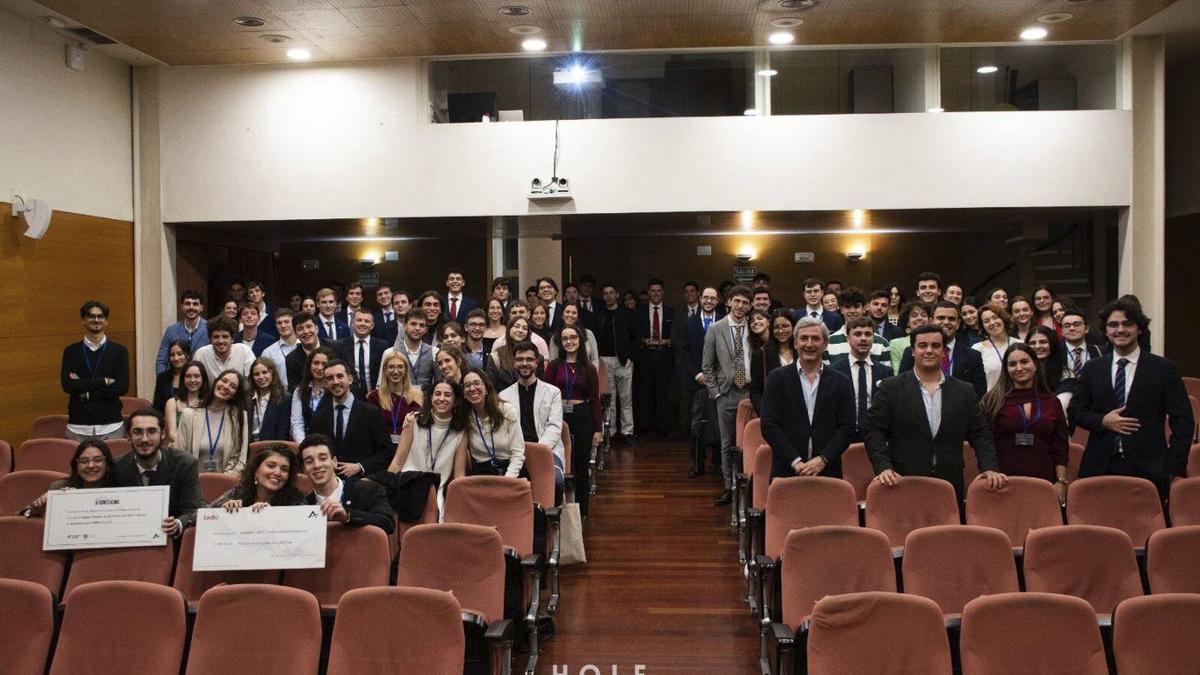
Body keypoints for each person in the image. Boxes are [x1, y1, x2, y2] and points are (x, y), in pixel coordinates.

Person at [1068, 299, 1193, 498]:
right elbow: (1075, 411)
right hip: (1100, 466)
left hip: (1151, 468)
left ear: (1139, 329)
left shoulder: (1164, 369)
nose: (1120, 330)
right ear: (1106, 331)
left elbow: (1183, 422)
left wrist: (1175, 469)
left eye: (1127, 324)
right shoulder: (1093, 368)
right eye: (1113, 325)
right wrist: (1102, 421)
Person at [866, 325, 1006, 501]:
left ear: (944, 352)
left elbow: (980, 434)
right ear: (913, 351)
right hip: (902, 480)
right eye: (923, 345)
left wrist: (989, 467)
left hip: (949, 481)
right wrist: (883, 467)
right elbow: (874, 431)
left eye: (936, 345)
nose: (929, 350)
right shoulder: (891, 388)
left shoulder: (964, 391)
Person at [760, 317, 856, 480]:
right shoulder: (777, 378)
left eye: (816, 338)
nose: (809, 344)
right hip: (786, 471)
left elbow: (847, 428)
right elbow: (769, 425)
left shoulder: (841, 381)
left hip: (828, 472)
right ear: (795, 343)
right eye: (804, 338)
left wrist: (822, 459)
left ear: (825, 344)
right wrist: (795, 462)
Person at [981, 343, 1069, 504]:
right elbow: (985, 443)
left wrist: (1061, 481)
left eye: (1024, 362)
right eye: (1012, 364)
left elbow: (1060, 446)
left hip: (1044, 479)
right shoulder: (993, 400)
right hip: (1002, 480)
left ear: (1035, 364)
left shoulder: (1052, 402)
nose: (1019, 368)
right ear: (1006, 369)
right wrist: (990, 471)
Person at [378, 380, 468, 517]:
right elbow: (398, 461)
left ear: (455, 401)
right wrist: (384, 490)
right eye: (437, 394)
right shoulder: (413, 420)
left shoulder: (460, 431)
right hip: (407, 486)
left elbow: (459, 476)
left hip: (435, 494)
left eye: (447, 395)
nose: (441, 398)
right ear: (431, 398)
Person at [112, 408, 206, 536]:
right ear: (128, 436)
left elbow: (192, 510)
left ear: (162, 434)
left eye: (152, 431)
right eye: (137, 432)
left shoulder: (184, 464)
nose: (144, 439)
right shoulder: (116, 467)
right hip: (130, 538)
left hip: (171, 541)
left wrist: (178, 523)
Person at [702, 284, 753, 506]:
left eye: (745, 302)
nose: (740, 306)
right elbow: (707, 365)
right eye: (737, 301)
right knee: (726, 443)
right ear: (729, 302)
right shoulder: (716, 329)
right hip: (726, 393)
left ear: (750, 306)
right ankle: (729, 487)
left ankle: (750, 487)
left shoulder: (755, 327)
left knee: (750, 442)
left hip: (750, 392)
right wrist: (715, 393)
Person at [545, 326, 602, 513]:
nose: (569, 341)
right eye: (565, 338)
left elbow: (594, 399)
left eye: (573, 337)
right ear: (560, 343)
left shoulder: (589, 368)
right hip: (558, 416)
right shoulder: (554, 366)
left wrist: (598, 429)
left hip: (582, 416)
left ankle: (581, 511)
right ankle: (559, 508)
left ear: (580, 340)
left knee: (581, 465)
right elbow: (545, 395)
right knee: (561, 463)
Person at [500, 341, 565, 502]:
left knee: (555, 483)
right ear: (514, 363)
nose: (524, 363)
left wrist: (535, 452)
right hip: (515, 454)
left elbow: (555, 428)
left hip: (546, 451)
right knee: (507, 487)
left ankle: (551, 523)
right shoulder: (503, 396)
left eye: (529, 359)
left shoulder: (553, 392)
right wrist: (520, 453)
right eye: (520, 359)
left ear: (536, 363)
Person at [307, 360, 394, 478]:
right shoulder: (318, 418)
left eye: (340, 376)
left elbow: (386, 452)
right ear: (325, 383)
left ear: (350, 379)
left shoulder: (371, 413)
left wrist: (360, 466)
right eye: (330, 378)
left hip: (363, 483)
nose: (336, 382)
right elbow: (311, 451)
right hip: (329, 483)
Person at [61, 300, 130, 442]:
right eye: (91, 316)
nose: (96, 320)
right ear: (83, 321)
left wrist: (84, 389)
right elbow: (67, 385)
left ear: (106, 321)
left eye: (100, 316)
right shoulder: (71, 351)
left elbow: (122, 387)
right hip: (78, 427)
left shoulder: (119, 351)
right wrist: (103, 381)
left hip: (111, 427)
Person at [299, 434, 395, 533]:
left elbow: (388, 524)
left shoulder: (369, 490)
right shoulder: (303, 507)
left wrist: (348, 516)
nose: (317, 465)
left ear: (334, 462)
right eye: (309, 461)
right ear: (303, 469)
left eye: (323, 458)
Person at [677, 287, 724, 477]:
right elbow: (683, 351)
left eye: (713, 298)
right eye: (706, 297)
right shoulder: (688, 323)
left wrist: (715, 376)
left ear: (718, 300)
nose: (709, 301)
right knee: (697, 424)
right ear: (700, 298)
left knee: (720, 423)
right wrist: (698, 374)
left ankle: (719, 462)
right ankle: (697, 463)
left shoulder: (724, 322)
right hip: (695, 381)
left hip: (720, 381)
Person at [900, 301, 988, 400]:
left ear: (958, 324)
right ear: (931, 320)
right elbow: (902, 388)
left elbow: (979, 395)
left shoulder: (973, 356)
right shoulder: (912, 352)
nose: (946, 322)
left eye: (951, 319)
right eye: (941, 318)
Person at [830, 317, 894, 441]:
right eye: (857, 334)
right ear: (848, 338)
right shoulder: (834, 371)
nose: (863, 338)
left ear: (873, 338)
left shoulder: (886, 372)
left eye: (868, 334)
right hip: (843, 438)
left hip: (876, 438)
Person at [177, 369, 249, 474]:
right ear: (216, 382)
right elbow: (179, 453)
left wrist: (221, 481)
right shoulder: (189, 414)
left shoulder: (239, 416)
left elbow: (240, 458)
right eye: (224, 381)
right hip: (192, 482)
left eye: (233, 386)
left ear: (235, 395)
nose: (226, 386)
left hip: (226, 483)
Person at [20, 439, 116, 517]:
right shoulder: (59, 487)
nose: (90, 465)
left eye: (98, 460)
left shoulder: (119, 489)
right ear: (76, 467)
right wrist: (38, 511)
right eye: (84, 461)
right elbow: (23, 516)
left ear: (107, 465)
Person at [462, 368, 526, 477]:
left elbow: (518, 453)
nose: (472, 388)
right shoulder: (465, 417)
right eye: (467, 385)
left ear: (486, 388)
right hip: (482, 474)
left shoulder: (506, 410)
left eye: (477, 383)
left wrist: (507, 479)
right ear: (464, 393)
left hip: (510, 470)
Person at [206, 444, 306, 513]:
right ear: (256, 470)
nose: (277, 473)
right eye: (271, 466)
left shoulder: (295, 501)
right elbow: (195, 518)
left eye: (284, 469)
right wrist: (222, 511)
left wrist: (274, 514)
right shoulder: (239, 492)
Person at [598, 283, 641, 444]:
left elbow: (636, 337)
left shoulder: (627, 314)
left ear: (617, 295)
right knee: (609, 399)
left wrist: (630, 357)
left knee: (626, 397)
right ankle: (611, 431)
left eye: (611, 293)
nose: (608, 296)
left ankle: (627, 431)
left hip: (623, 360)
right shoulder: (600, 315)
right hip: (604, 360)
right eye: (605, 293)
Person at [635, 278, 675, 437]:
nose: (656, 294)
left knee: (663, 392)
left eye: (659, 291)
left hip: (664, 356)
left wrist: (668, 341)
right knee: (646, 392)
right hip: (646, 356)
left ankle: (663, 427)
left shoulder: (671, 311)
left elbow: (676, 333)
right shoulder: (640, 311)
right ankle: (646, 426)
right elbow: (635, 333)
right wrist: (643, 341)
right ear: (648, 293)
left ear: (663, 293)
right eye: (653, 291)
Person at [367, 350, 424, 444]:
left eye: (400, 367)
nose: (396, 371)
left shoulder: (417, 394)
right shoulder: (374, 396)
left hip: (410, 447)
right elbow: (370, 428)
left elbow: (421, 427)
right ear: (385, 370)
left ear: (406, 370)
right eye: (391, 367)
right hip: (382, 448)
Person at [1057, 308, 1103, 417]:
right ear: (1062, 331)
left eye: (1076, 324)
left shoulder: (1100, 351)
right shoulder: (1055, 353)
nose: (1072, 328)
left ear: (1086, 328)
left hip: (1094, 407)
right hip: (1063, 408)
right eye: (1067, 326)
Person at [825, 289, 889, 367]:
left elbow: (886, 377)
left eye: (856, 306)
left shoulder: (882, 343)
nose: (852, 311)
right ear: (841, 309)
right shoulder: (829, 342)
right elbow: (826, 376)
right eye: (848, 307)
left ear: (864, 308)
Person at [335, 307, 388, 399]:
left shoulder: (383, 346)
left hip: (377, 396)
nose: (362, 324)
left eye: (366, 321)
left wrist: (377, 392)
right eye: (359, 320)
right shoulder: (340, 345)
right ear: (353, 323)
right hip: (349, 396)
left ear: (372, 326)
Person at [381, 309, 436, 395]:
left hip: (425, 403)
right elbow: (381, 384)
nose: (417, 328)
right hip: (398, 403)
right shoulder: (390, 352)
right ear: (404, 326)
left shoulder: (434, 351)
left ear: (425, 330)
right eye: (413, 324)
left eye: (421, 325)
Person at [749, 311, 794, 414]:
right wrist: (764, 414)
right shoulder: (761, 354)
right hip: (775, 415)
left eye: (785, 326)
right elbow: (755, 391)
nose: (781, 330)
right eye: (776, 327)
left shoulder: (802, 351)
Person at [290, 345, 337, 442]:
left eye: (324, 364)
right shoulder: (300, 391)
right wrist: (304, 445)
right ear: (309, 365)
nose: (319, 368)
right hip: (306, 442)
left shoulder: (336, 389)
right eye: (316, 363)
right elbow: (297, 424)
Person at [156, 290, 209, 374]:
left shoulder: (209, 329)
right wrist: (162, 382)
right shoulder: (171, 331)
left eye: (195, 304)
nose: (191, 307)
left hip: (202, 381)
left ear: (201, 307)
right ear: (182, 306)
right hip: (177, 380)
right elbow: (162, 361)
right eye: (187, 304)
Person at [973, 303, 1022, 391]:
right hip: (991, 401)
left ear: (1003, 318)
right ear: (983, 326)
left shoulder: (1020, 344)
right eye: (986, 321)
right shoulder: (977, 349)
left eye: (995, 317)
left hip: (1018, 398)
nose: (992, 322)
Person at [249, 357, 291, 442]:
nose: (261, 377)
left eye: (265, 372)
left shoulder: (284, 399)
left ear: (272, 373)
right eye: (256, 374)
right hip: (249, 448)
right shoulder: (247, 398)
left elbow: (282, 432)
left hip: (272, 448)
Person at [165, 361, 209, 444]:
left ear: (203, 379)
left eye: (197, 376)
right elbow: (172, 434)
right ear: (183, 379)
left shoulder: (209, 403)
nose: (192, 380)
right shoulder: (172, 403)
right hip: (178, 448)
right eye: (188, 376)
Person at [284, 311, 324, 393]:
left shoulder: (336, 348)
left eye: (309, 326)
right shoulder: (291, 359)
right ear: (295, 333)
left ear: (317, 329)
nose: (305, 331)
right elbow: (294, 390)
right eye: (300, 329)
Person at [262, 308, 300, 389]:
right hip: (280, 398)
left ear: (294, 323)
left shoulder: (305, 346)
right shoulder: (268, 353)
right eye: (279, 323)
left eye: (286, 322)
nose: (283, 326)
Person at [550, 303, 599, 367]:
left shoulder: (588, 334)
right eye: (567, 312)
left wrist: (593, 374)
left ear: (577, 316)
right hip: (562, 376)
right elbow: (552, 363)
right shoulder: (555, 337)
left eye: (574, 313)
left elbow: (595, 359)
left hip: (586, 375)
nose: (570, 315)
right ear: (562, 315)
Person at [887, 301, 929, 373]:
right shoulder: (896, 343)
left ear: (930, 320)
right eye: (914, 315)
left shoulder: (936, 341)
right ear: (908, 322)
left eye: (923, 315)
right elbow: (896, 372)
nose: (919, 318)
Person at [153, 340, 191, 413]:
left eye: (180, 354)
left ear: (188, 355)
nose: (176, 358)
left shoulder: (194, 376)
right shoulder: (163, 377)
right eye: (172, 355)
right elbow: (157, 406)